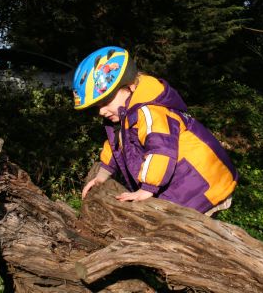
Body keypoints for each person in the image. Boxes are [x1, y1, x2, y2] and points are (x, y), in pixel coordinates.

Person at [72, 46, 239, 216]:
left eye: (105, 101)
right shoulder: (125, 114)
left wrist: (147, 188)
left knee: (180, 229)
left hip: (202, 184)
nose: (101, 111)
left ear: (129, 87)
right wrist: (102, 175)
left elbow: (161, 150)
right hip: (185, 184)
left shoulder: (150, 111)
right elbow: (116, 144)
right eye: (97, 106)